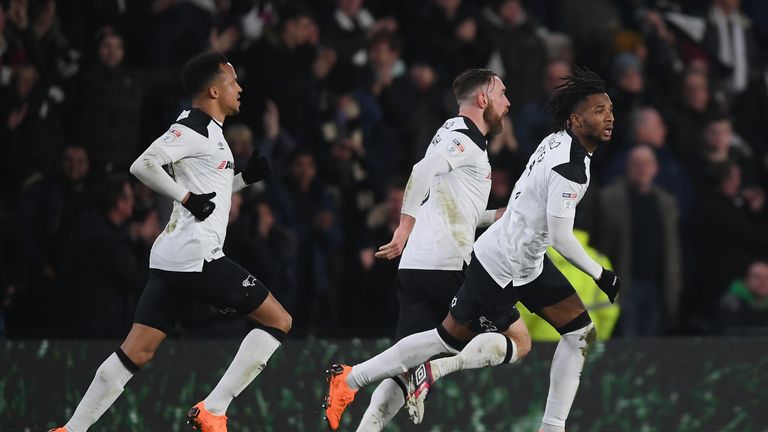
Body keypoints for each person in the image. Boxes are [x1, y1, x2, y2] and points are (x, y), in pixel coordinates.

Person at [323, 67, 621, 432]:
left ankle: (551, 426)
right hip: (491, 263)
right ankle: (354, 378)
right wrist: (601, 274)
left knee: (579, 333)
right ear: (576, 120)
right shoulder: (566, 166)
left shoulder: (556, 140)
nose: (609, 117)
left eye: (610, 109)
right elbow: (560, 236)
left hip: (511, 258)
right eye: (599, 110)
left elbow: (520, 192)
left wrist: (504, 214)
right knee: (459, 343)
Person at [49, 51, 291, 432]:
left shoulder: (211, 132)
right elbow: (142, 164)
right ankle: (214, 409)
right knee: (279, 321)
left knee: (136, 353)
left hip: (171, 260)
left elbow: (209, 191)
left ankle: (71, 429)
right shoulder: (194, 126)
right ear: (213, 90)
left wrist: (244, 179)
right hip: (197, 257)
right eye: (232, 81)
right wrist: (185, 199)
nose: (239, 88)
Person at [348, 68, 508, 432]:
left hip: (418, 265)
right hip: (444, 264)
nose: (508, 102)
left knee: (408, 359)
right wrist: (404, 225)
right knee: (515, 339)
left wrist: (495, 216)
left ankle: (369, 422)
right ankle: (353, 378)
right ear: (482, 99)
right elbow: (421, 172)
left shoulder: (453, 135)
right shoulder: (463, 136)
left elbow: (451, 207)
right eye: (502, 94)